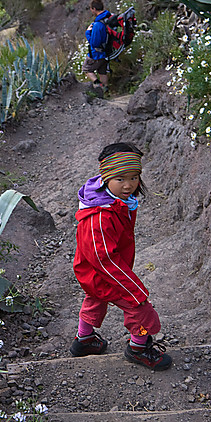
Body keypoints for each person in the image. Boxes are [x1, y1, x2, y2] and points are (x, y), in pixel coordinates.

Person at [71, 142, 172, 370]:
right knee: (139, 308)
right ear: (106, 177)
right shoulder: (99, 217)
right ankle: (138, 348)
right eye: (121, 179)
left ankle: (84, 340)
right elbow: (103, 260)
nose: (129, 185)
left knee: (95, 298)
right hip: (104, 271)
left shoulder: (114, 202)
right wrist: (133, 289)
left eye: (134, 177)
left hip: (94, 271)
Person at [82, 0, 111, 94]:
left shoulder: (98, 24)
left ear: (94, 9)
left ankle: (100, 86)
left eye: (91, 9)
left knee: (86, 69)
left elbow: (94, 43)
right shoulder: (108, 18)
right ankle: (106, 91)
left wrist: (88, 33)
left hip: (96, 54)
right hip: (106, 51)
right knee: (102, 72)